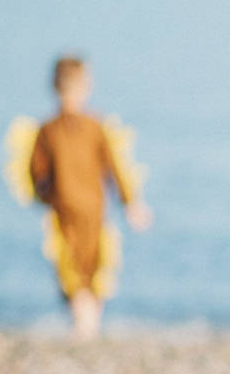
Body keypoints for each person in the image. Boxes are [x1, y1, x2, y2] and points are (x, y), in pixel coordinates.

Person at [24, 56, 152, 339]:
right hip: (88, 210)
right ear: (86, 87)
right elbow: (115, 167)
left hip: (69, 211)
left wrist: (44, 195)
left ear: (54, 86)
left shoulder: (49, 130)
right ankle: (87, 324)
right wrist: (131, 204)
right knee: (89, 267)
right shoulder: (91, 126)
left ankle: (84, 325)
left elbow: (36, 174)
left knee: (75, 267)